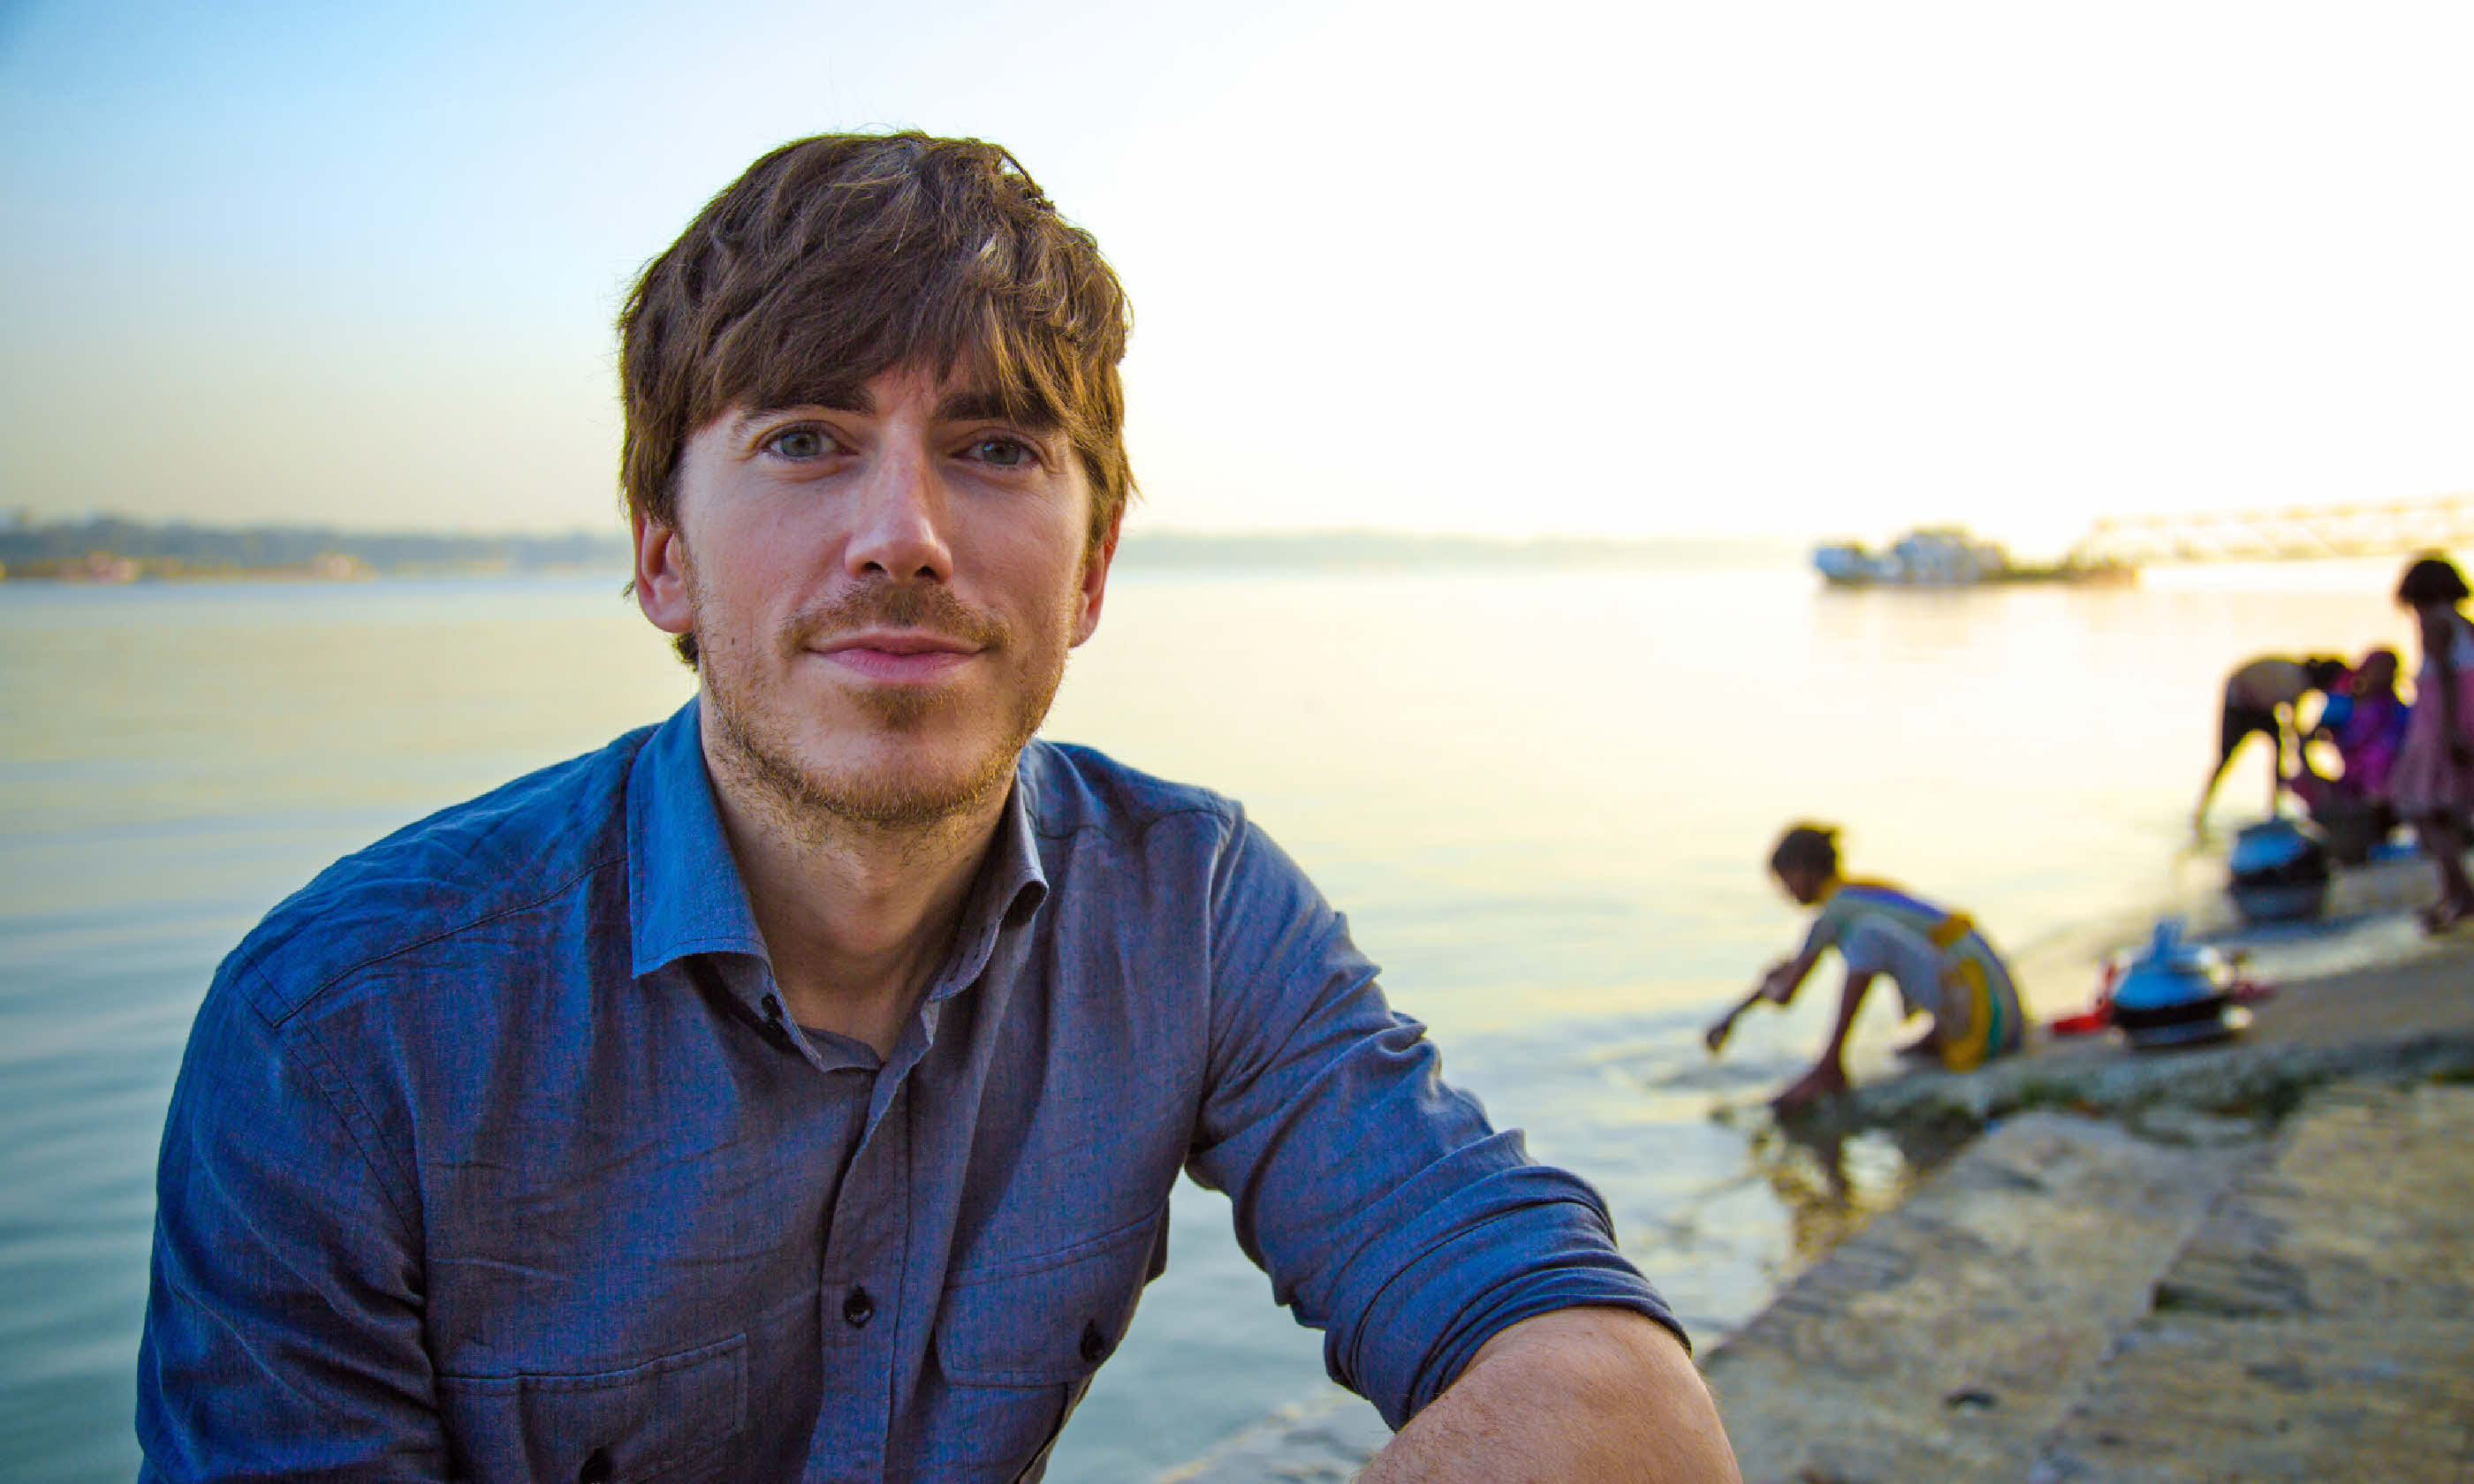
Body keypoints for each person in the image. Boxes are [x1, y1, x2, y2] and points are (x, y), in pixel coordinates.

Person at [133, 134, 1739, 1483]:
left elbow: (1614, 1396)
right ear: (662, 559)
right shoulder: (340, 1030)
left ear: (1094, 568)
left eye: (991, 447)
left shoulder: (1192, 908)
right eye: (807, 440)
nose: (903, 533)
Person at [1706, 824, 2023, 1111]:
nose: (1784, 892)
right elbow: (1791, 976)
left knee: (1869, 937)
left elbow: (1786, 993)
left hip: (1985, 1021)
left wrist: (1763, 990)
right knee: (1873, 937)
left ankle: (1829, 1066)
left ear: (1802, 872)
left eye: (1785, 881)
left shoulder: (1837, 911)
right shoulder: (1862, 892)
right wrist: (1734, 1015)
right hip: (2004, 1017)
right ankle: (1939, 1032)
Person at [2387, 555, 2474, 932]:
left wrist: (2450, 732)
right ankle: (2457, 894)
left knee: (2425, 811)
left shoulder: (2433, 625)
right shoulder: (2464, 624)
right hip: (2462, 724)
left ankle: (2459, 894)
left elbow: (2446, 681)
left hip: (2439, 728)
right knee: (2446, 811)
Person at [2193, 653, 2351, 828]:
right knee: (2227, 758)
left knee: (2277, 753)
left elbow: (2292, 732)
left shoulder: (2297, 679)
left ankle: (2274, 811)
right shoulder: (2296, 684)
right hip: (2239, 702)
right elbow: (2293, 732)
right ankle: (2202, 811)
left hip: (2263, 704)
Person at [2291, 647, 2409, 852]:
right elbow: (2306, 740)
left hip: (2388, 784)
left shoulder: (2399, 709)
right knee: (2299, 780)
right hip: (2354, 784)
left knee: (2379, 758)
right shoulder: (2345, 706)